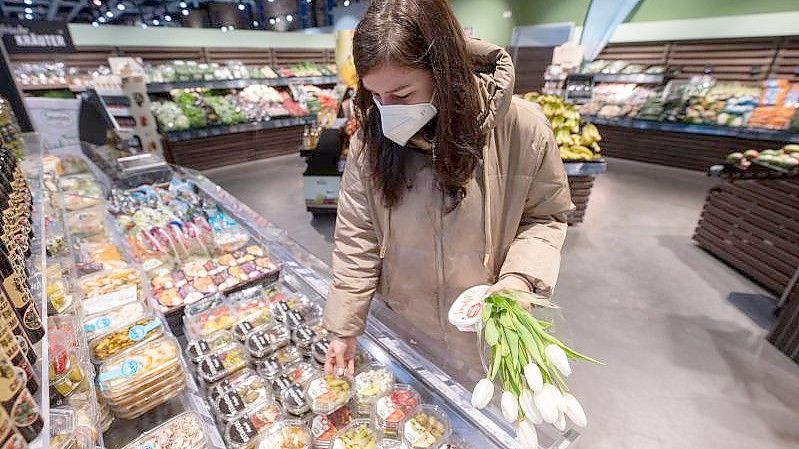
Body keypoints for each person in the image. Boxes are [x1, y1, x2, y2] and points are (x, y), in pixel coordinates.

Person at [322, 0, 573, 383]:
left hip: (488, 331)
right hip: (406, 330)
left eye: (403, 95)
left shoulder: (523, 128)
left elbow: (545, 217)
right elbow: (358, 235)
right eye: (375, 95)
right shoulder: (370, 140)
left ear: (444, 72)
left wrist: (519, 278)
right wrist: (344, 325)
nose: (387, 110)